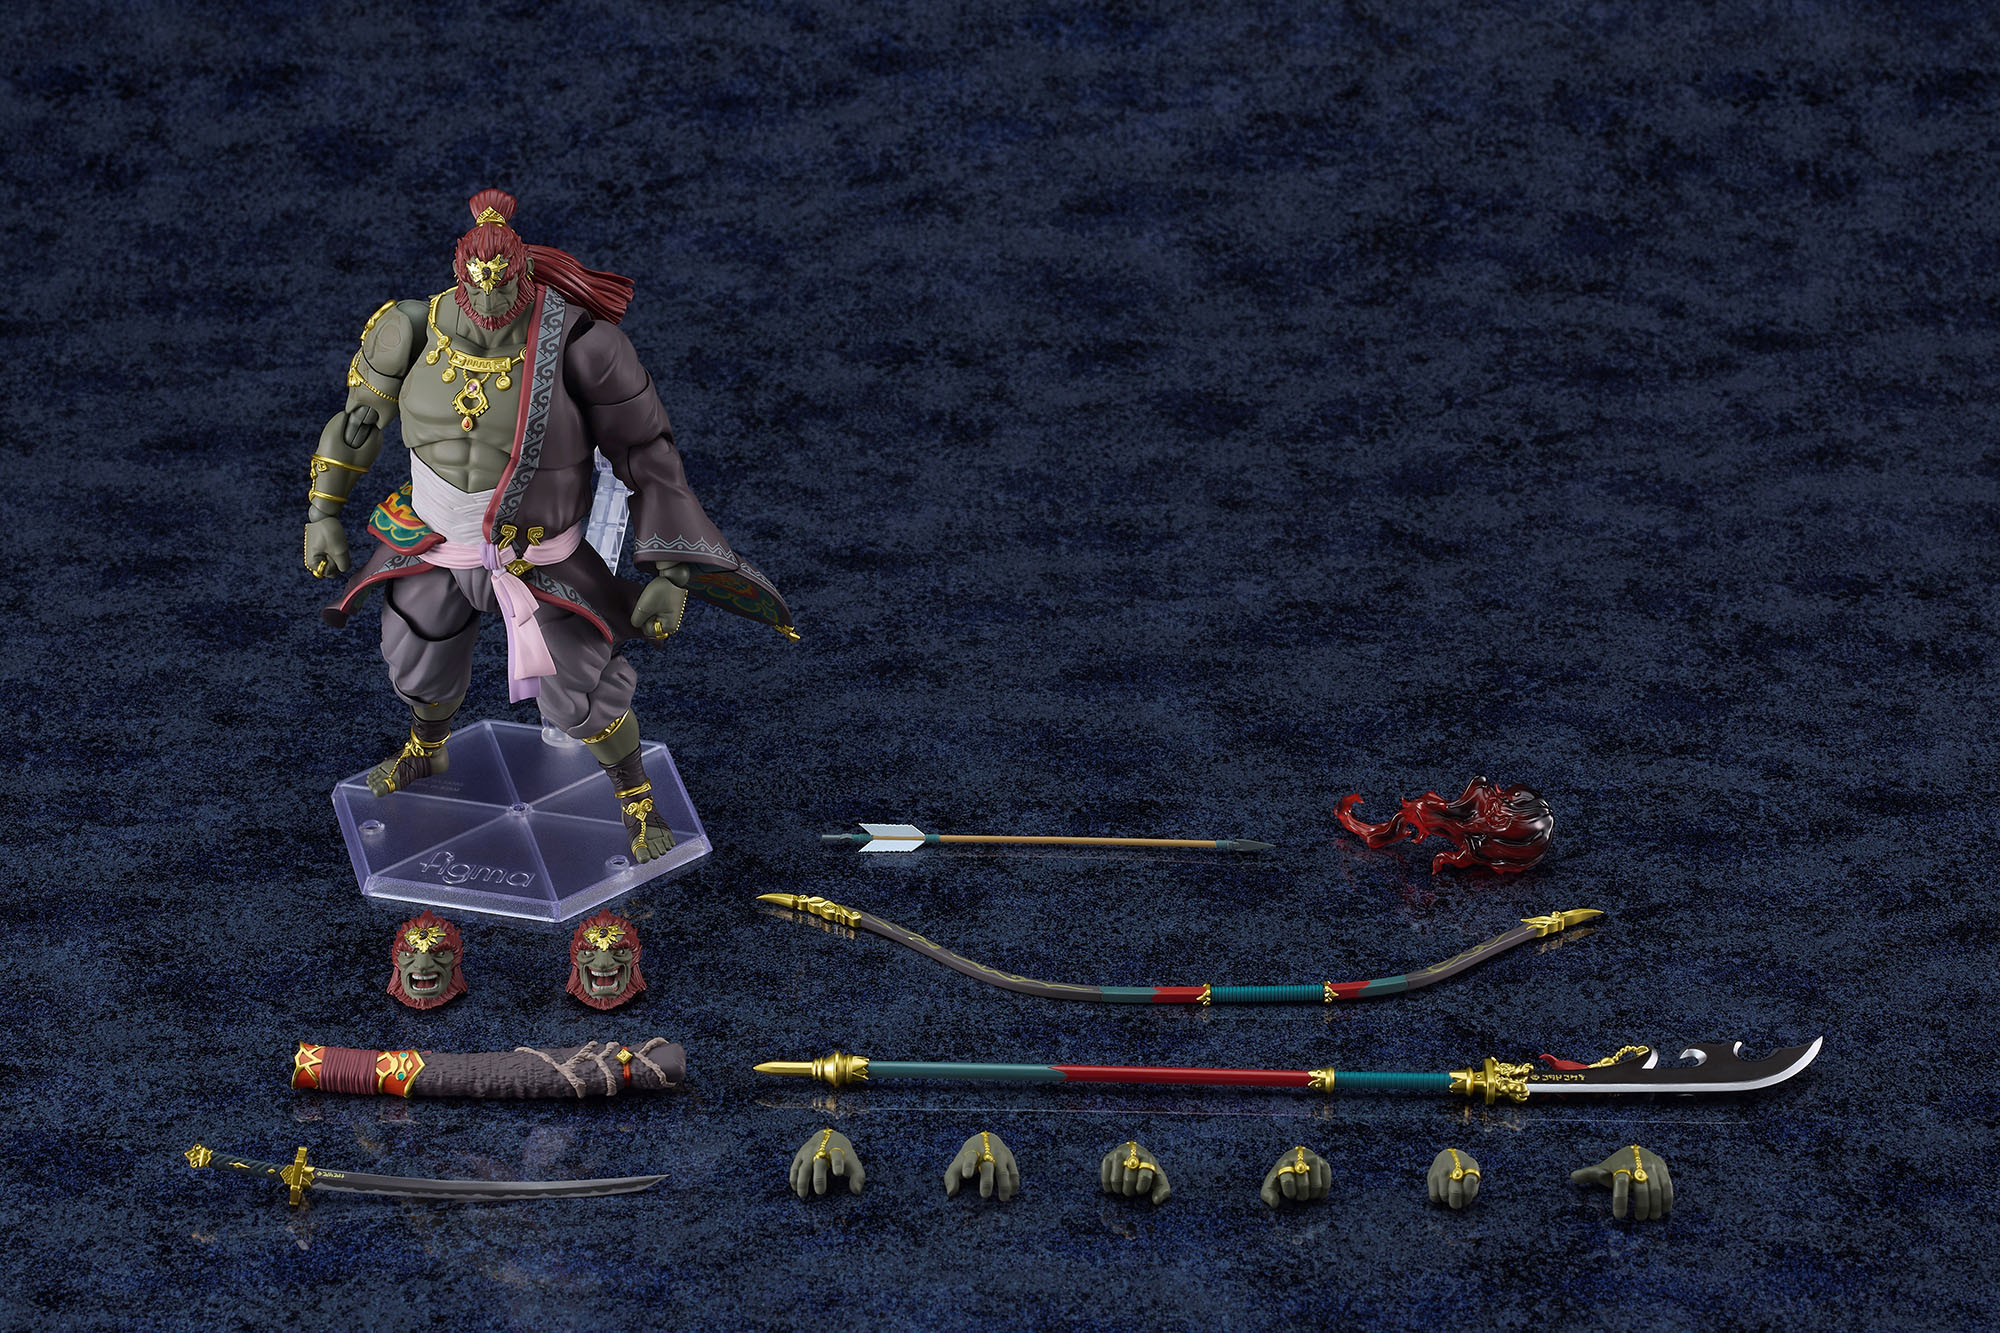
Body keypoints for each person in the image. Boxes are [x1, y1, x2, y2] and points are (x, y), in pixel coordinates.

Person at [304, 189, 792, 862]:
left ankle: (635, 796)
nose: (489, 297)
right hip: (436, 541)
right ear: (459, 269)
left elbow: (647, 454)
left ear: (523, 270)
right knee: (416, 656)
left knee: (582, 689)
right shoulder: (409, 328)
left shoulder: (583, 345)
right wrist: (323, 511)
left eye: (502, 282)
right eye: (477, 282)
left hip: (539, 554)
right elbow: (359, 422)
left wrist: (673, 572)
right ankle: (427, 747)